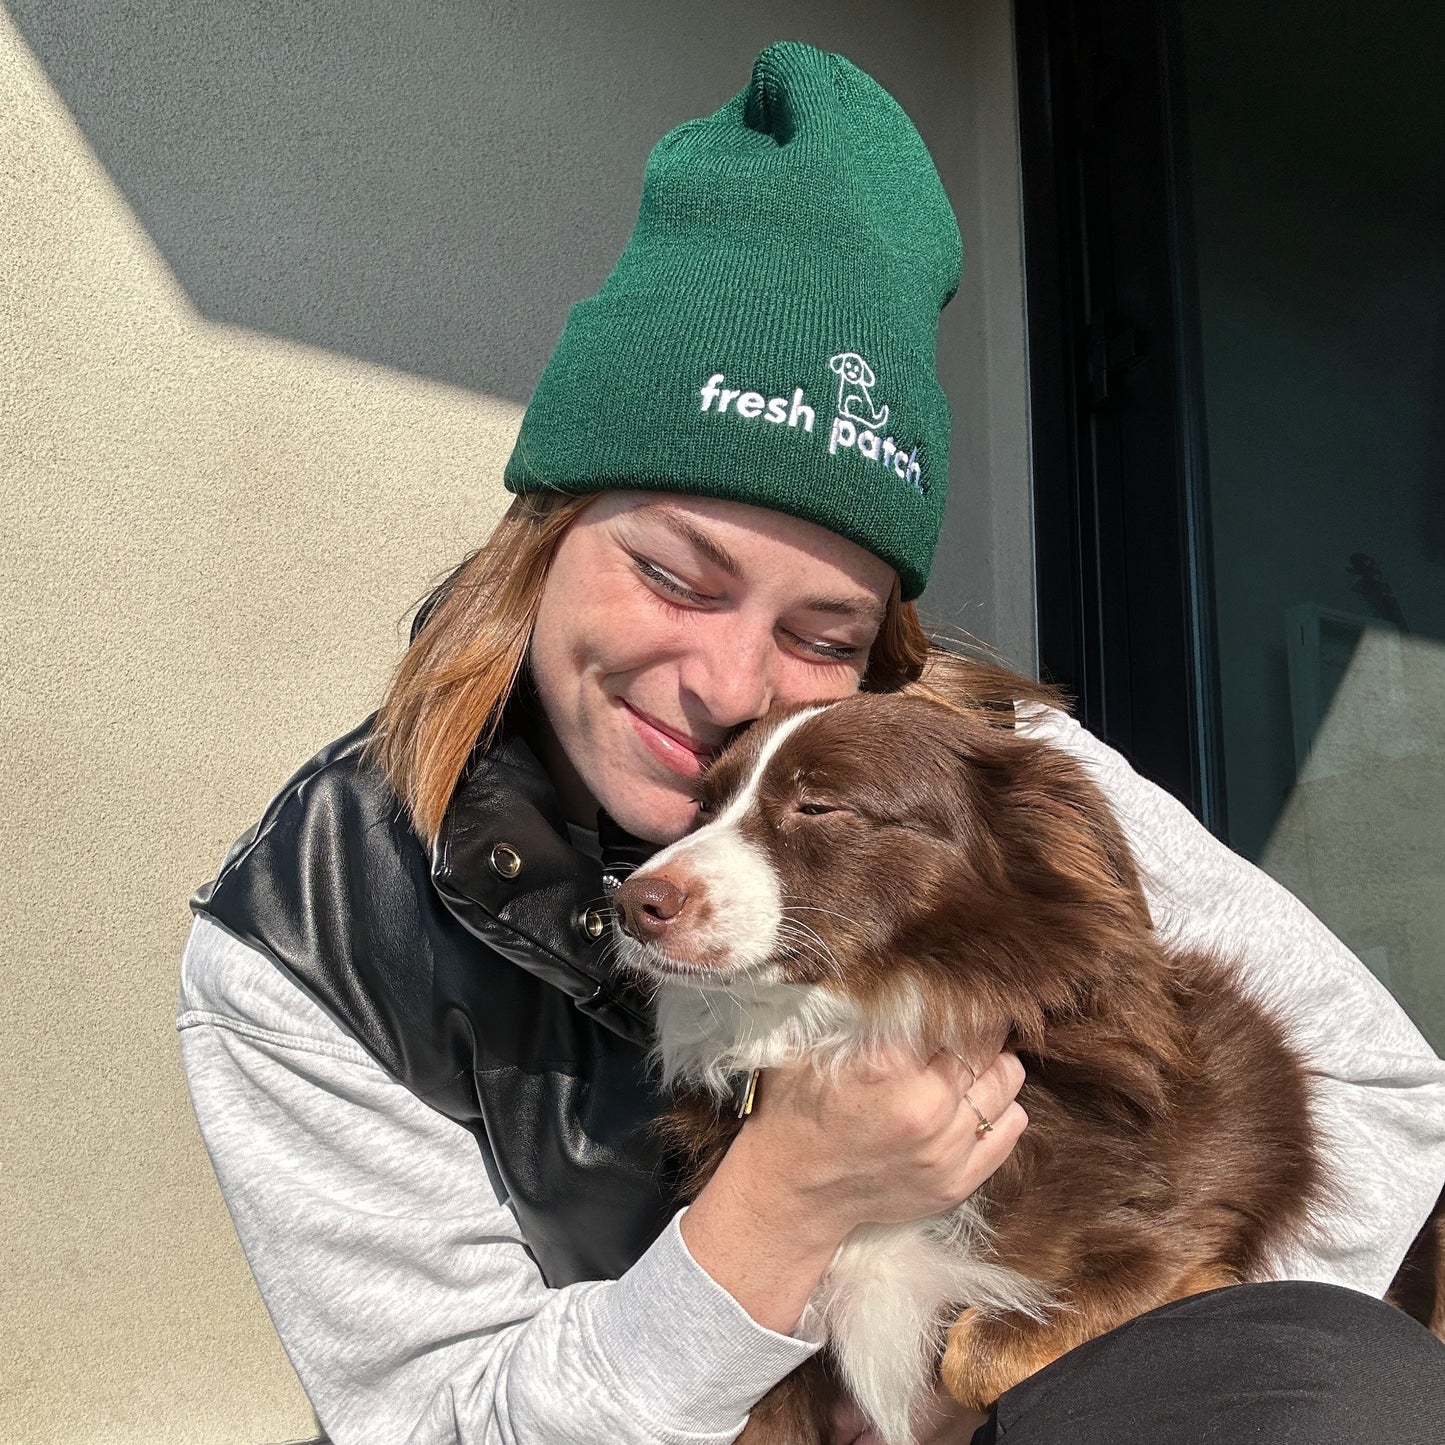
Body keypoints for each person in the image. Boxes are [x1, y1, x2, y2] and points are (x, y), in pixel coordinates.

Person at [178, 41, 1445, 1445]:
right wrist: (779, 1206)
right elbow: (438, 1421)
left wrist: (1060, 1357)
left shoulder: (988, 779)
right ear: (541, 533)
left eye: (823, 631)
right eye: (674, 574)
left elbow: (1383, 1097)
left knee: (1342, 1387)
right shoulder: (315, 928)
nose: (730, 683)